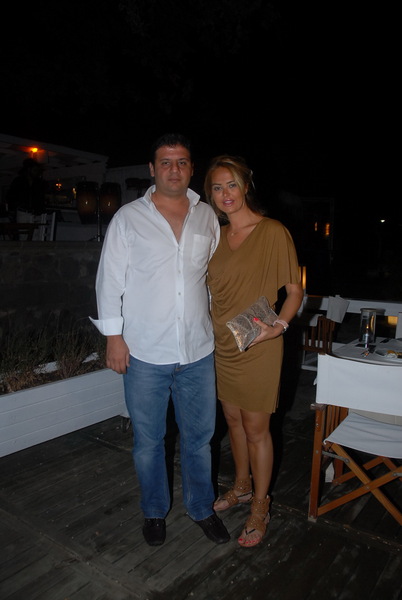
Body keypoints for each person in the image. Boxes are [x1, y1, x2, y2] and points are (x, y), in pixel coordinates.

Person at [90, 133, 230, 547]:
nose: (174, 169)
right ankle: (154, 511)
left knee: (200, 440)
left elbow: (209, 279)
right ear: (152, 169)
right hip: (144, 351)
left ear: (192, 168)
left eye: (182, 162)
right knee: (149, 442)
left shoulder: (207, 217)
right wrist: (113, 338)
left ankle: (201, 508)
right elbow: (109, 281)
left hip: (198, 350)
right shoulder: (128, 218)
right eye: (165, 162)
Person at [204, 155, 303, 548]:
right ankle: (242, 485)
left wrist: (278, 327)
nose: (225, 193)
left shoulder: (272, 231)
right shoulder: (214, 236)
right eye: (217, 187)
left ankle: (261, 505)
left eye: (232, 184)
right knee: (232, 421)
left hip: (259, 342)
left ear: (246, 186)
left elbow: (294, 291)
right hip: (221, 344)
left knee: (257, 429)